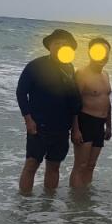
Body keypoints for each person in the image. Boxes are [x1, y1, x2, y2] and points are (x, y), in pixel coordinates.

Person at [16, 29, 82, 195]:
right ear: (50, 46)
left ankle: (48, 207)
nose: (60, 46)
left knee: (54, 166)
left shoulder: (69, 68)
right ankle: (24, 205)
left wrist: (75, 128)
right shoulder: (36, 65)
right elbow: (21, 92)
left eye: (64, 44)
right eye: (57, 43)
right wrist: (28, 120)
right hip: (39, 125)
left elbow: (74, 102)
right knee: (32, 164)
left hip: (61, 127)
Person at [69, 37, 112, 188]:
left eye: (106, 54)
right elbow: (74, 103)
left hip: (100, 124)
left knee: (91, 165)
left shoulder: (105, 75)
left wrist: (109, 126)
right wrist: (75, 129)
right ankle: (75, 200)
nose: (103, 57)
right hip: (85, 122)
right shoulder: (82, 73)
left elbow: (107, 100)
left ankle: (84, 198)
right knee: (80, 165)